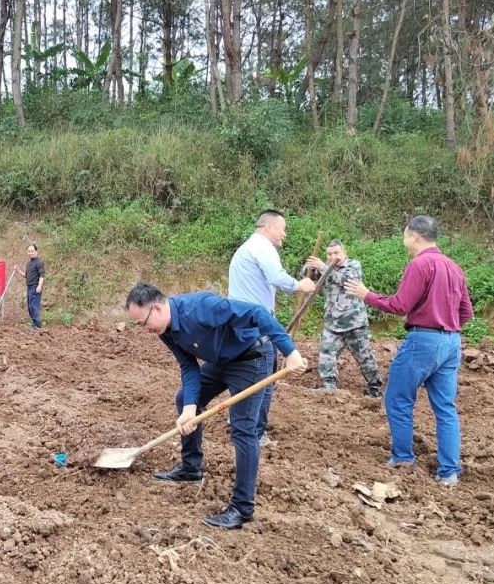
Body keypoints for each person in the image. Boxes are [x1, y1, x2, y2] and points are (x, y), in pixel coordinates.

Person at [125, 282, 308, 529]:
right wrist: (189, 409)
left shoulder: (201, 307)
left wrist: (290, 352)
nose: (144, 330)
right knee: (184, 399)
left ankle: (242, 508)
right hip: (222, 361)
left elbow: (257, 313)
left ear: (156, 309)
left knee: (243, 429)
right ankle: (191, 468)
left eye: (142, 323)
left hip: (251, 357)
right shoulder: (165, 330)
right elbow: (188, 366)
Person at [343, 216, 473, 486]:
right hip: (452, 342)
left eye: (404, 235)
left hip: (423, 340)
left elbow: (400, 305)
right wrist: (447, 327)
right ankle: (448, 472)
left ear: (414, 235)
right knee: (445, 407)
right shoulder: (454, 267)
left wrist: (367, 295)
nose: (403, 240)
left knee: (397, 398)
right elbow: (466, 312)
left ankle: (403, 458)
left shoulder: (419, 265)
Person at [227, 209, 316, 448]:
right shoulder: (262, 247)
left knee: (249, 376)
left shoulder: (247, 248)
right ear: (268, 227)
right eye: (282, 229)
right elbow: (277, 276)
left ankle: (242, 422)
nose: (284, 234)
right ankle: (255, 433)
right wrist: (300, 285)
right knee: (263, 380)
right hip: (256, 326)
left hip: (242, 324)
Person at [304, 240, 382, 396]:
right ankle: (329, 387)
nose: (333, 256)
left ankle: (375, 389)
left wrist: (323, 267)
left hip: (354, 323)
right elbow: (308, 277)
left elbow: (346, 281)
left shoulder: (353, 266)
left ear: (344, 253)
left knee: (365, 358)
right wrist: (309, 268)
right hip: (332, 323)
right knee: (326, 353)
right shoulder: (325, 267)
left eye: (336, 253)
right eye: (329, 254)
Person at [14, 243, 45, 329]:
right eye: (29, 251)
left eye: (32, 251)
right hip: (29, 287)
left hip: (35, 287)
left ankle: (37, 324)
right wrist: (18, 271)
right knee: (30, 307)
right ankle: (34, 323)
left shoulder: (39, 262)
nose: (30, 253)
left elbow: (42, 275)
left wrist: (39, 286)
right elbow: (27, 276)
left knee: (34, 306)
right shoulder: (29, 263)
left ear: (36, 251)